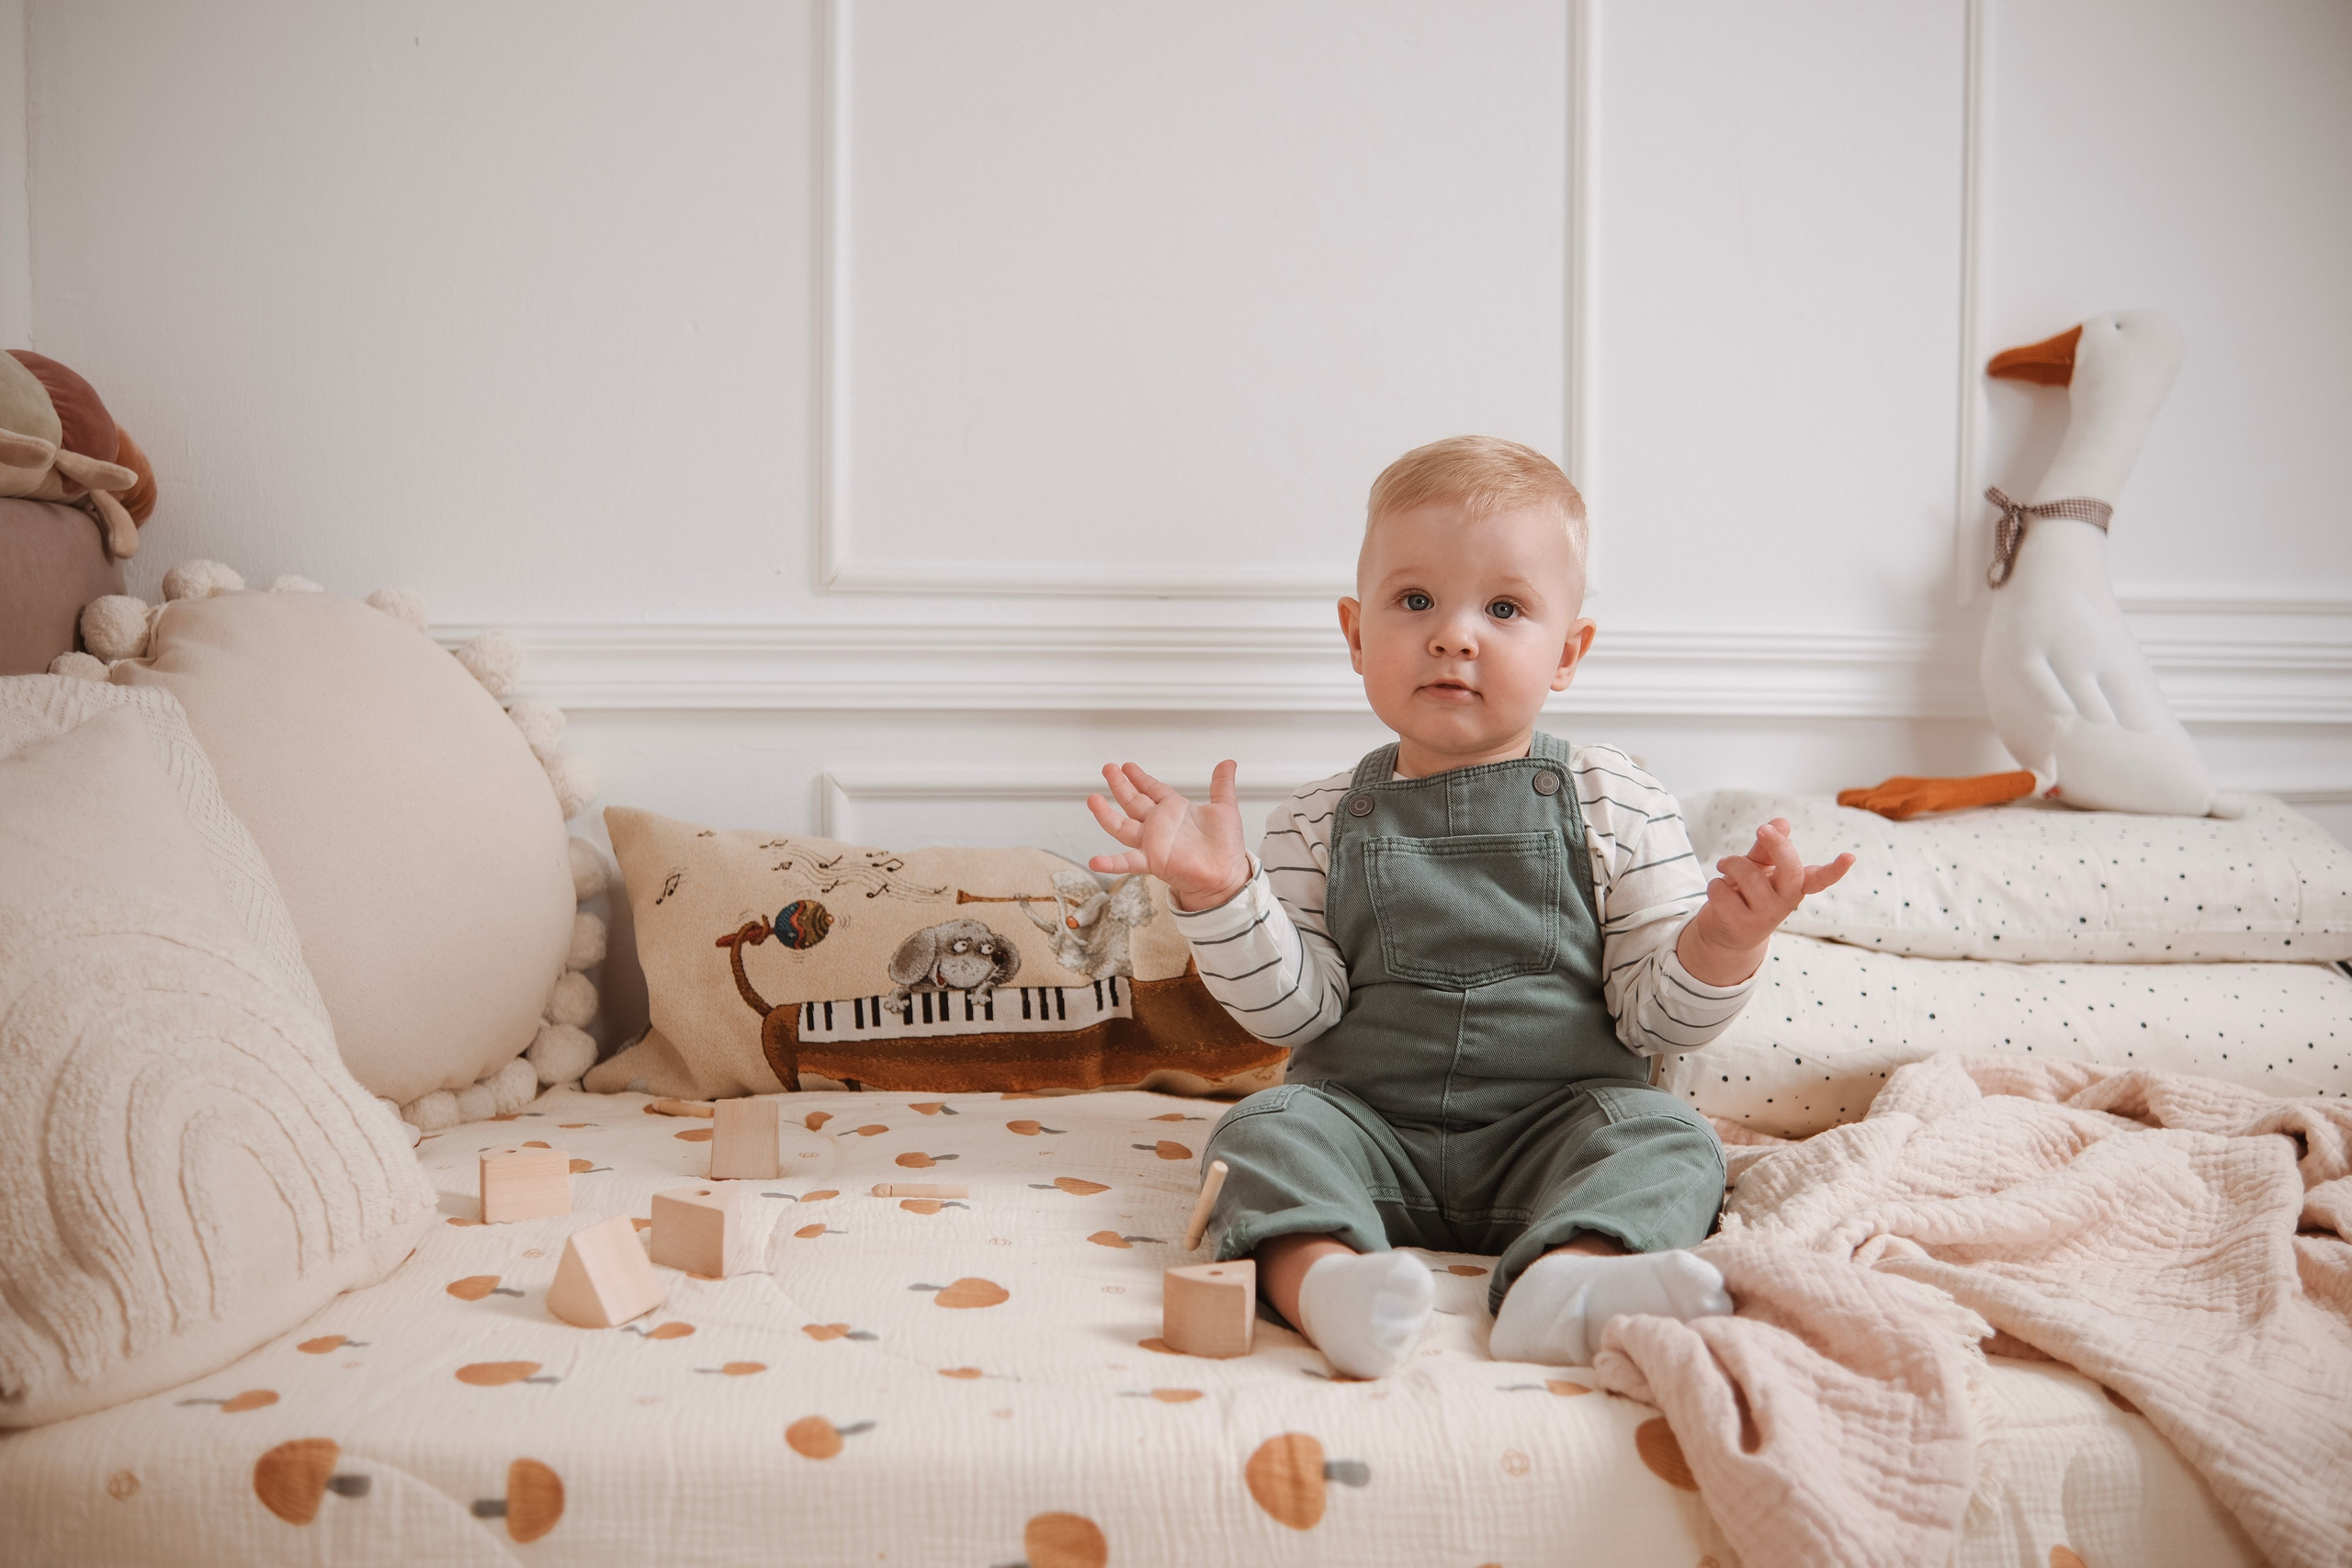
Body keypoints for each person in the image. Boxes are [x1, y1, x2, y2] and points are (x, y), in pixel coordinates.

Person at [1083, 435, 1853, 1377]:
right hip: (1364, 1128)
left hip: (1560, 1132)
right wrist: (1217, 896)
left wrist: (1727, 939)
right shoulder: (1313, 820)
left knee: (1674, 1139)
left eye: (1504, 607)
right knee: (1260, 1128)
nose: (1454, 634)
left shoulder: (1622, 803)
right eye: (1415, 602)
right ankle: (1330, 1284)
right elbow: (1295, 1014)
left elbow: (1657, 1020)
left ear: (1567, 653)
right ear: (1355, 634)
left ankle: (1565, 1283)